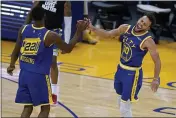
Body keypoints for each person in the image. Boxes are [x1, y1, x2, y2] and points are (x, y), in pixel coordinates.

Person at [7, 6, 88, 117]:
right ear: (44, 16)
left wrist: (11, 65)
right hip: (39, 77)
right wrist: (78, 32)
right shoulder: (50, 35)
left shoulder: (23, 29)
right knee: (45, 108)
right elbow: (67, 48)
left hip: (24, 74)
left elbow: (16, 50)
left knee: (27, 107)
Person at [87, 13, 161, 117]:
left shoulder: (148, 41)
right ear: (139, 19)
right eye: (141, 21)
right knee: (120, 102)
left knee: (124, 107)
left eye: (144, 24)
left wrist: (156, 79)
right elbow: (108, 35)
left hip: (132, 75)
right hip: (120, 69)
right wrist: (93, 28)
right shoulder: (125, 28)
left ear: (148, 28)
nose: (141, 24)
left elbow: (157, 60)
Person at [25, 0, 72, 104]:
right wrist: (25, 28)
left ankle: (54, 93)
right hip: (39, 30)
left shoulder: (65, 2)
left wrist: (66, 43)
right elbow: (32, 11)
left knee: (52, 62)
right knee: (35, 61)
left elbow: (68, 23)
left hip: (54, 32)